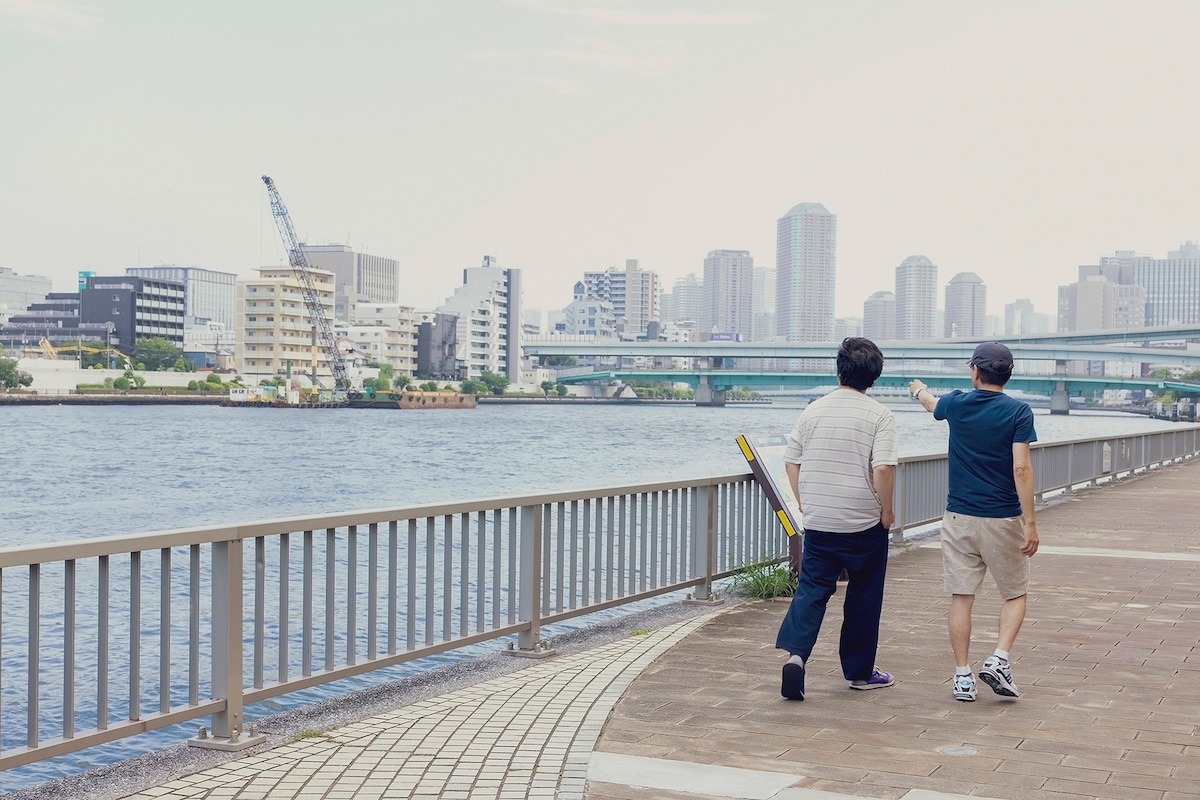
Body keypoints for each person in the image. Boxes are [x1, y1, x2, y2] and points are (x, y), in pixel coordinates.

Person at [908, 341, 1039, 702]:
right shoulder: (1019, 412)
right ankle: (999, 659)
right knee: (1015, 593)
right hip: (1002, 518)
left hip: (959, 517)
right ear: (1008, 374)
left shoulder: (957, 403)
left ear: (975, 371)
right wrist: (1030, 523)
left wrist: (918, 389)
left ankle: (963, 677)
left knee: (962, 596)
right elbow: (1022, 468)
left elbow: (931, 404)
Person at [776, 337, 897, 701]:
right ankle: (859, 673)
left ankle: (796, 657)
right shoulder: (880, 415)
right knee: (864, 594)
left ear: (839, 371)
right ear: (873, 376)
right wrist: (886, 510)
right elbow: (883, 468)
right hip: (863, 524)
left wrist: (804, 501)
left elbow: (791, 461)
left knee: (811, 590)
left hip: (820, 522)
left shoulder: (812, 411)